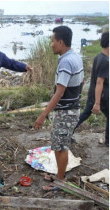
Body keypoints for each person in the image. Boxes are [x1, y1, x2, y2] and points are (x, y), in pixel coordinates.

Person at [34, 26, 84, 191]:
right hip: (72, 108)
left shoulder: (66, 61)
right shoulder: (75, 57)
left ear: (61, 42)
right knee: (59, 144)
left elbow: (59, 93)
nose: (51, 44)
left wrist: (43, 115)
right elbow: (81, 82)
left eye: (52, 41)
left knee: (60, 146)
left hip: (66, 112)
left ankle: (61, 181)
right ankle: (60, 175)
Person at [73, 31, 109, 147]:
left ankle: (67, 133)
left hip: (93, 94)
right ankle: (108, 141)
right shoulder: (105, 61)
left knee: (85, 114)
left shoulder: (99, 57)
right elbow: (99, 82)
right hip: (101, 96)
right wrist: (98, 103)